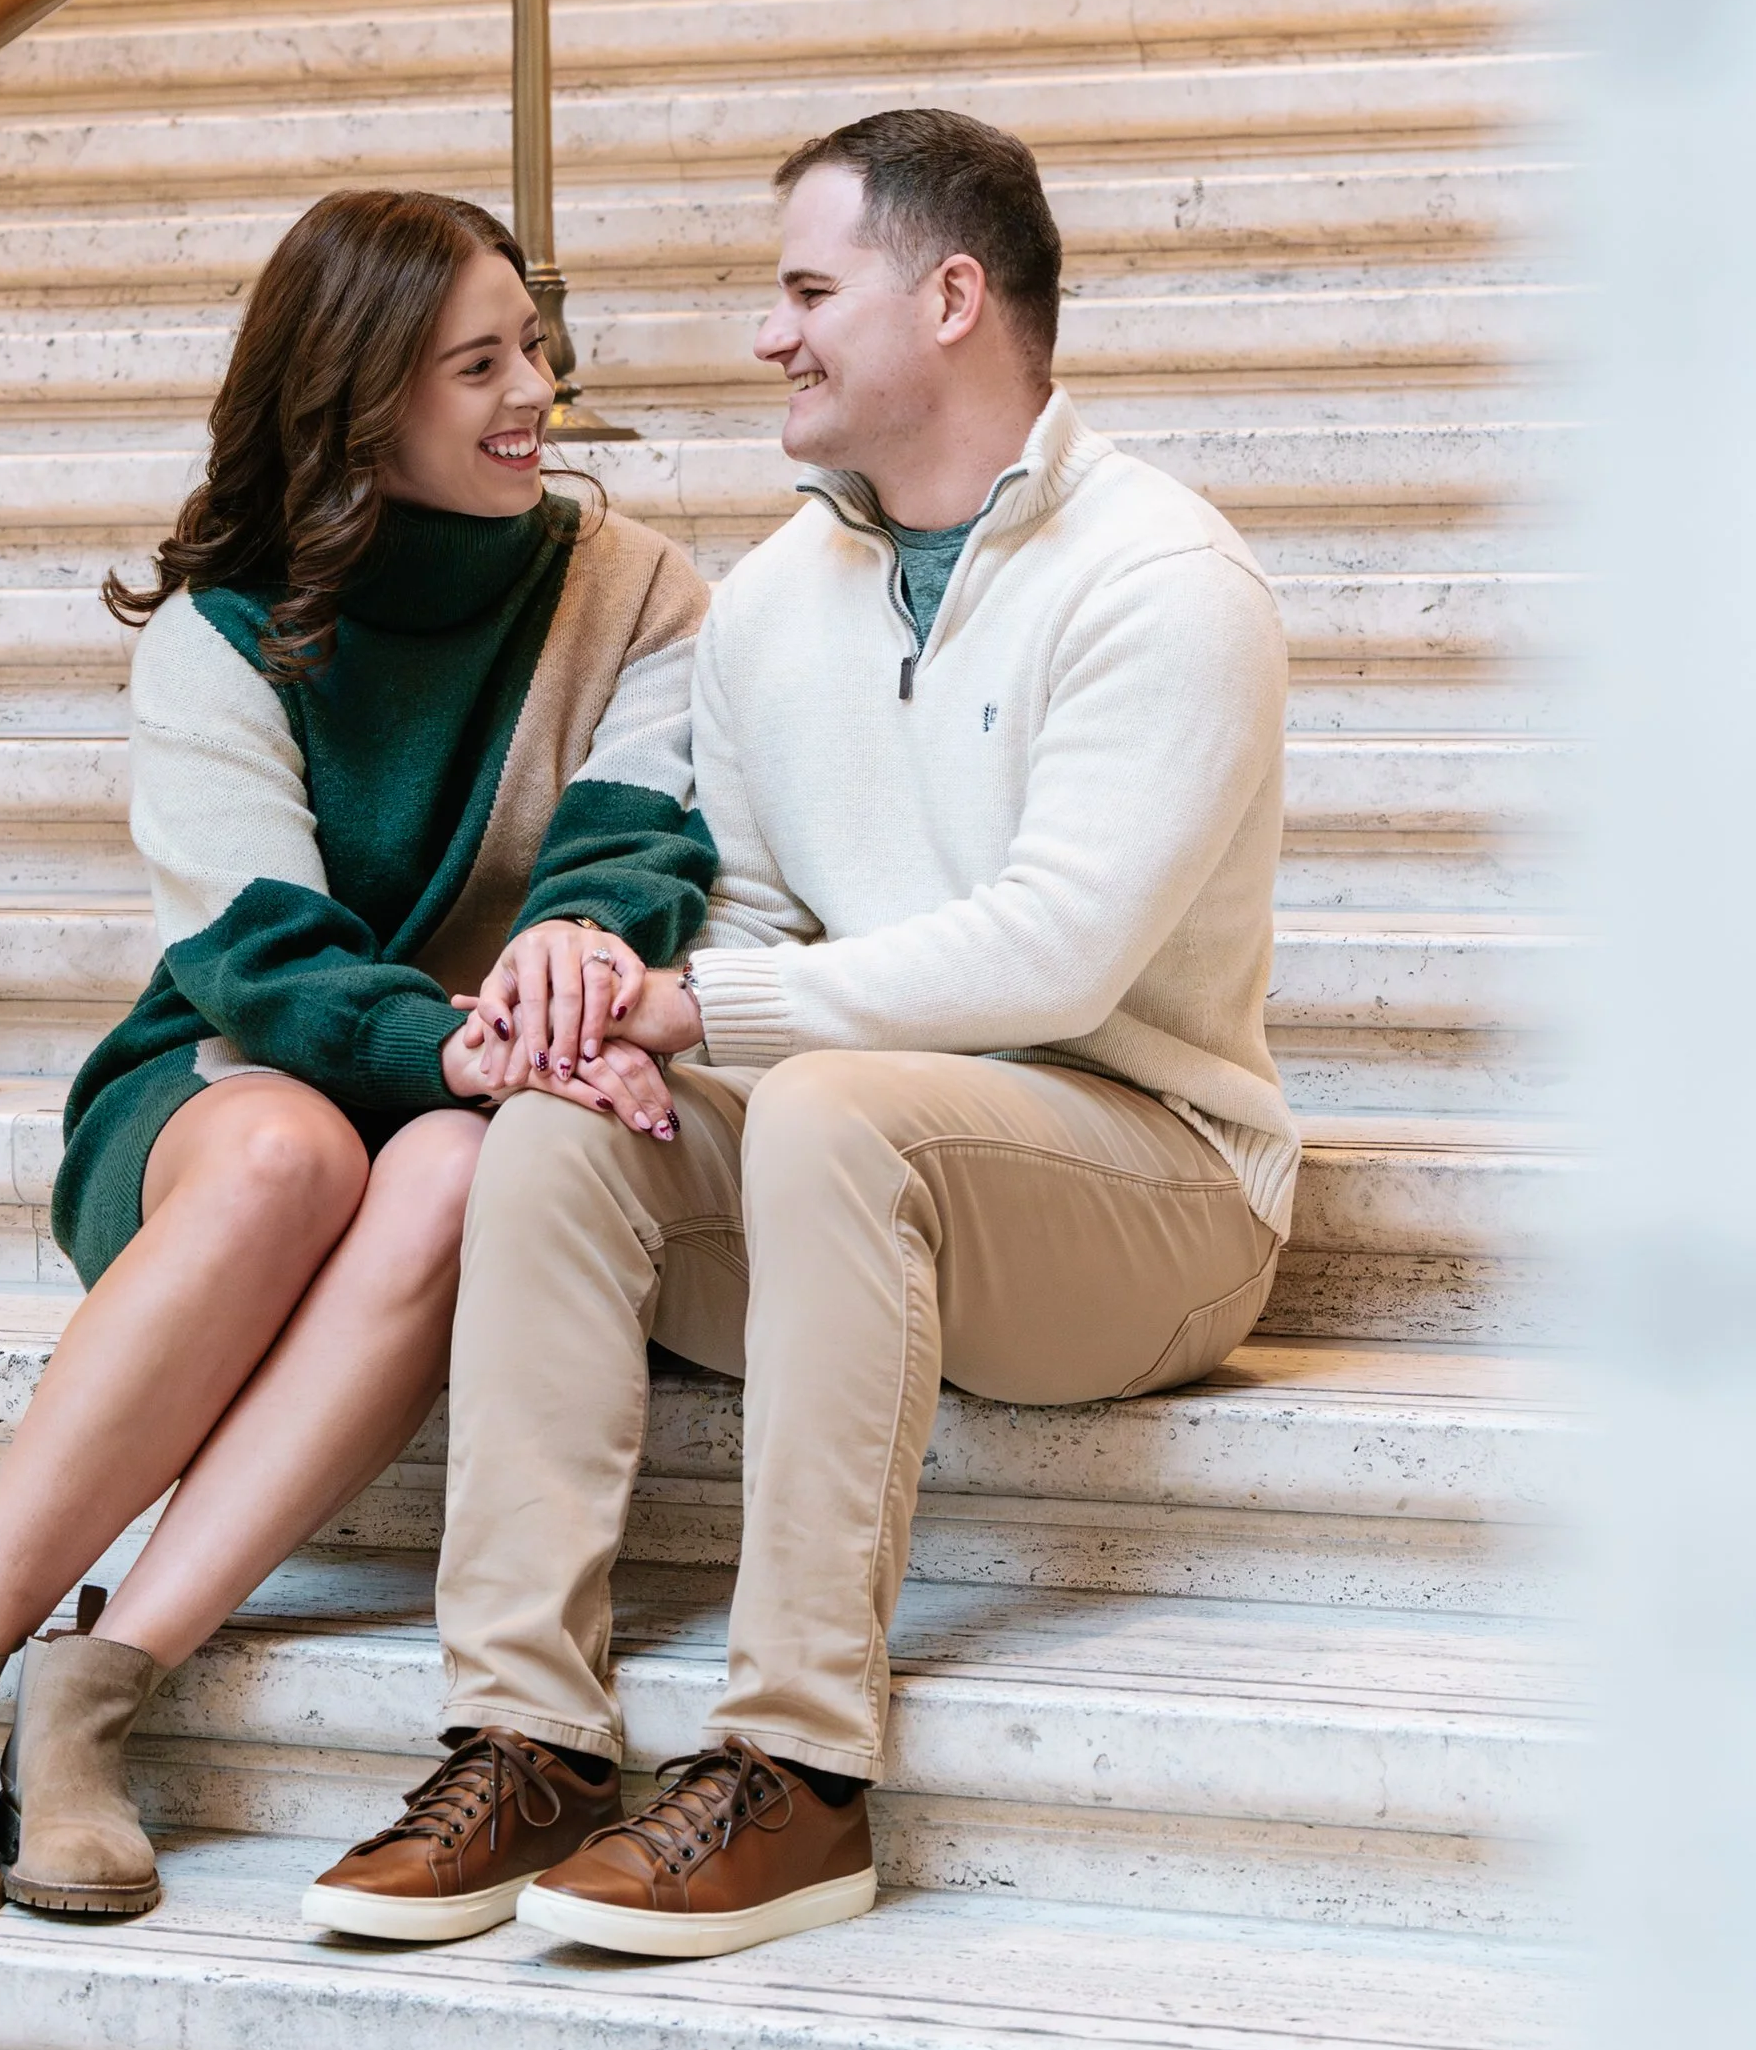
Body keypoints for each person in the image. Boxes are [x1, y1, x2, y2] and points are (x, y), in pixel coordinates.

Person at [305, 105, 1297, 1957]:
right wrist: (631, 1044)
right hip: (871, 1195)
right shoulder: (769, 603)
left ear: (947, 296)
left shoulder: (1166, 581)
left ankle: (797, 1775)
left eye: (804, 289)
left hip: (1151, 1197)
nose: (768, 334)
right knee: (563, 1124)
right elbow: (752, 920)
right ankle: (526, 1738)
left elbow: (1060, 957)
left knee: (837, 1110)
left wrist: (717, 1005)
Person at [0, 187, 714, 1929]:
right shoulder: (225, 625)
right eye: (478, 364)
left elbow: (634, 870)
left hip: (489, 1098)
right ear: (359, 398)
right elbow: (258, 960)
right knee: (289, 1151)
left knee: (462, 1167)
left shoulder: (634, 591)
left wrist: (527, 1030)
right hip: (229, 1083)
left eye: (533, 347)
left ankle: (99, 1696)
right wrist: (471, 1043)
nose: (533, 391)